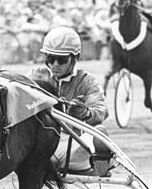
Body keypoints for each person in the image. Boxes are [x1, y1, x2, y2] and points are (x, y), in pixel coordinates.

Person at [26, 27, 112, 177]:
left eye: (62, 59)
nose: (55, 64)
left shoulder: (87, 81)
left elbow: (101, 111)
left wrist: (85, 113)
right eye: (50, 58)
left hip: (73, 142)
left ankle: (97, 161)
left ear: (75, 58)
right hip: (41, 141)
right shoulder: (34, 76)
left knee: (98, 133)